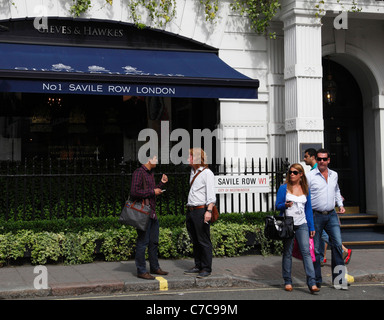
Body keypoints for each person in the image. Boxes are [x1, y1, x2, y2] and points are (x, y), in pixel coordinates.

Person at [306, 148, 348, 289]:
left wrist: (340, 205)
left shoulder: (334, 175)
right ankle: (316, 280)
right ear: (316, 160)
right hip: (316, 215)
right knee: (317, 250)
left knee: (337, 245)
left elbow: (336, 190)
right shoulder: (310, 176)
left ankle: (339, 281)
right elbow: (305, 197)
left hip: (331, 215)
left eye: (324, 159)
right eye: (319, 159)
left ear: (329, 160)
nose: (322, 161)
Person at [275, 163, 319, 294]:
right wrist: (285, 205)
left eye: (295, 172)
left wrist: (311, 226)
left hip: (302, 224)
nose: (291, 175)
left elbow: (308, 209)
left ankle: (312, 283)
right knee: (287, 253)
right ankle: (287, 281)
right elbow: (277, 206)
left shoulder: (306, 189)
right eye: (290, 172)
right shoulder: (284, 188)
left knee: (306, 252)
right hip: (288, 224)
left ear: (300, 175)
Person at [130, 154, 169, 280]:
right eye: (155, 158)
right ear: (148, 159)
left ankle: (154, 267)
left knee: (154, 242)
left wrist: (161, 185)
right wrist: (153, 191)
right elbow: (134, 192)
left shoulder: (150, 173)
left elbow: (152, 191)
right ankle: (141, 270)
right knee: (143, 242)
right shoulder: (138, 173)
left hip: (152, 213)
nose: (157, 161)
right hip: (143, 213)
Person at [185, 148, 216, 278]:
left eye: (190, 157)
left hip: (201, 210)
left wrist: (208, 211)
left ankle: (206, 268)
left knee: (203, 240)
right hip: (191, 210)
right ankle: (198, 265)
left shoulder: (207, 173)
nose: (187, 159)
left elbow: (211, 195)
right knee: (195, 240)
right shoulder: (193, 172)